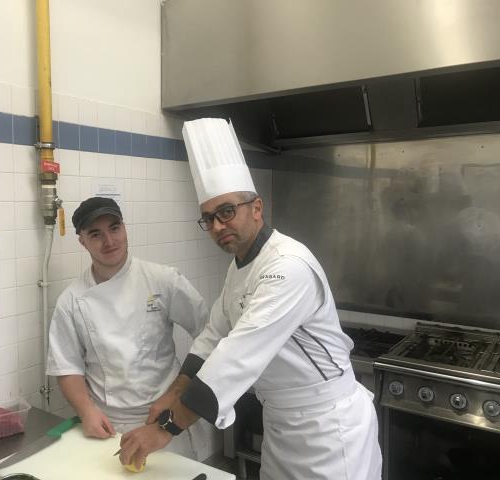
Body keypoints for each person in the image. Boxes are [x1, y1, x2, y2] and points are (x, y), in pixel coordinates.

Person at [119, 118, 382, 479]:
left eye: (227, 212)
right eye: (208, 219)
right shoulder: (241, 266)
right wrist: (173, 392)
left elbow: (237, 356)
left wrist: (166, 428)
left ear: (256, 208)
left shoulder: (288, 267)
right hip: (282, 425)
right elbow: (214, 335)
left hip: (328, 430)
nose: (217, 226)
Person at [46, 196, 208, 458]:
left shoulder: (162, 280)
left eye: (114, 228)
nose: (109, 241)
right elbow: (66, 366)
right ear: (82, 241)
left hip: (164, 420)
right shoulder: (71, 300)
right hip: (109, 425)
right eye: (95, 234)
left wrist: (182, 392)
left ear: (124, 227)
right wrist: (86, 411)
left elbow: (208, 334)